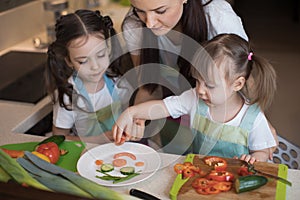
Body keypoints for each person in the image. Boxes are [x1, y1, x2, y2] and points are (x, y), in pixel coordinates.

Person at [113, 33, 277, 163]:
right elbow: (162, 107)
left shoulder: (254, 118)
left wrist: (255, 159)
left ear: (237, 84)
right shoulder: (193, 98)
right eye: (198, 81)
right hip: (202, 179)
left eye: (209, 85)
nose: (200, 90)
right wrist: (131, 112)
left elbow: (263, 151)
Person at [45, 9, 132, 144]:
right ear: (68, 60)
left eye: (101, 54)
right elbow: (58, 138)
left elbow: (130, 113)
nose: (95, 66)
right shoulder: (69, 95)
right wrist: (99, 139)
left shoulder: (117, 81)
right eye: (83, 61)